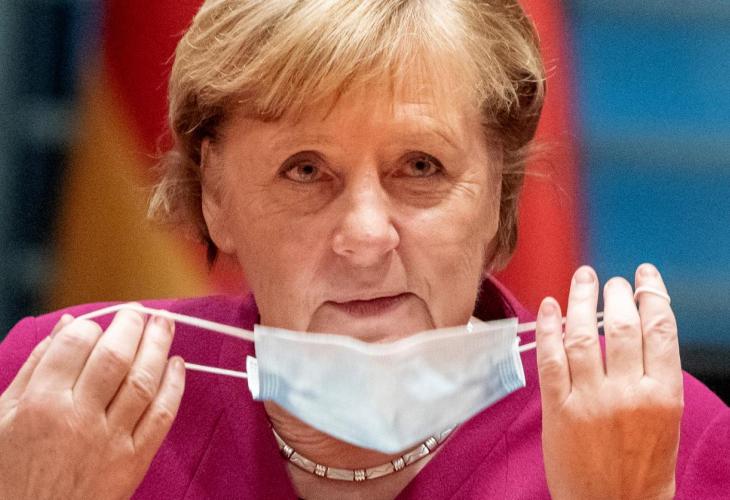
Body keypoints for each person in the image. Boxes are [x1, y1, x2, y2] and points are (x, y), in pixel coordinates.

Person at [1, 1, 728, 498]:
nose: (366, 237)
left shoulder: (661, 433)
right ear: (216, 197)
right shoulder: (59, 388)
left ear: (498, 197)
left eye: (421, 167)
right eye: (305, 171)